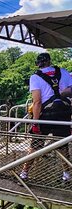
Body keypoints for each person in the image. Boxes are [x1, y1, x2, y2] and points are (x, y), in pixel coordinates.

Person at [20, 52, 72, 181]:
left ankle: (24, 173)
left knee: (36, 145)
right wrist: (62, 94)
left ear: (38, 64)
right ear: (49, 61)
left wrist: (35, 123)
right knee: (63, 145)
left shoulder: (35, 77)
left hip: (46, 114)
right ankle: (66, 174)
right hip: (63, 114)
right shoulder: (64, 72)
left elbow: (37, 102)